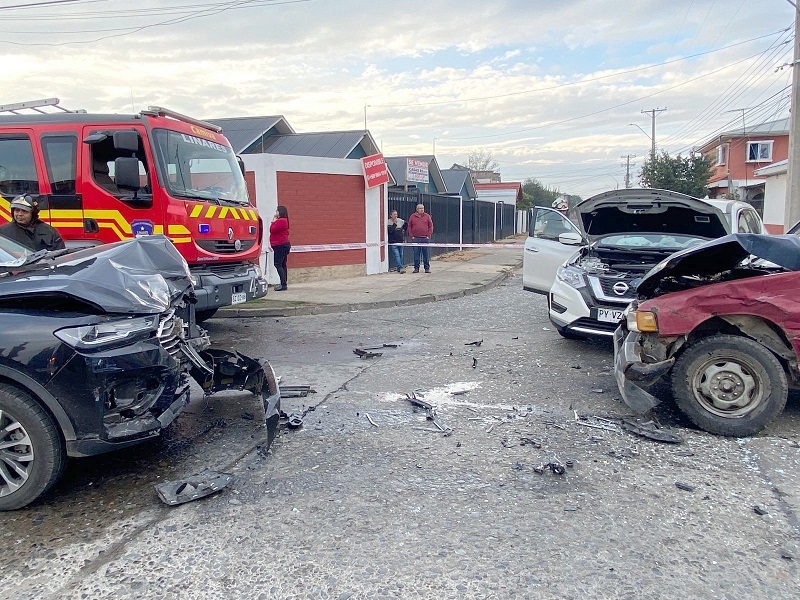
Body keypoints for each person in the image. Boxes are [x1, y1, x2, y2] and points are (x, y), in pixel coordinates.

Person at [0, 194, 65, 252]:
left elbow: (61, 253)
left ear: (33, 214)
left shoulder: (48, 231)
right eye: (17, 210)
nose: (20, 214)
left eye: (24, 211)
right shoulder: (3, 232)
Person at [407, 203, 433, 273]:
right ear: (417, 209)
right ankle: (416, 268)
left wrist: (428, 236)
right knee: (416, 254)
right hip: (415, 238)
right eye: (420, 208)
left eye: (423, 208)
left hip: (425, 238)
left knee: (425, 254)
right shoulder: (412, 216)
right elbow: (409, 226)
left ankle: (427, 268)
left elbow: (430, 226)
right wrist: (412, 236)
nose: (422, 210)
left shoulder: (427, 216)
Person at [270, 205, 290, 291]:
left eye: (277, 211)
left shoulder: (281, 221)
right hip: (283, 245)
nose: (276, 213)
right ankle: (284, 282)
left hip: (280, 245)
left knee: (278, 264)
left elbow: (272, 229)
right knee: (282, 264)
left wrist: (273, 221)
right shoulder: (284, 221)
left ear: (280, 212)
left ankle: (283, 284)